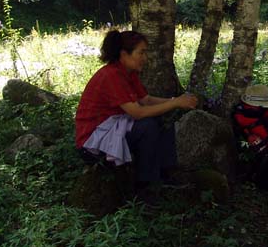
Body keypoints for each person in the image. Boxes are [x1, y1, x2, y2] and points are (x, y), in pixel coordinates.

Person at [75, 30, 198, 199]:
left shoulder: (128, 72)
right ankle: (145, 187)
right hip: (92, 141)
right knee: (147, 126)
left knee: (165, 118)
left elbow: (145, 100)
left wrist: (176, 101)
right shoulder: (111, 75)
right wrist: (175, 102)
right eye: (141, 52)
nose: (145, 58)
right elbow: (138, 112)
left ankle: (166, 172)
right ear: (124, 54)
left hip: (112, 127)